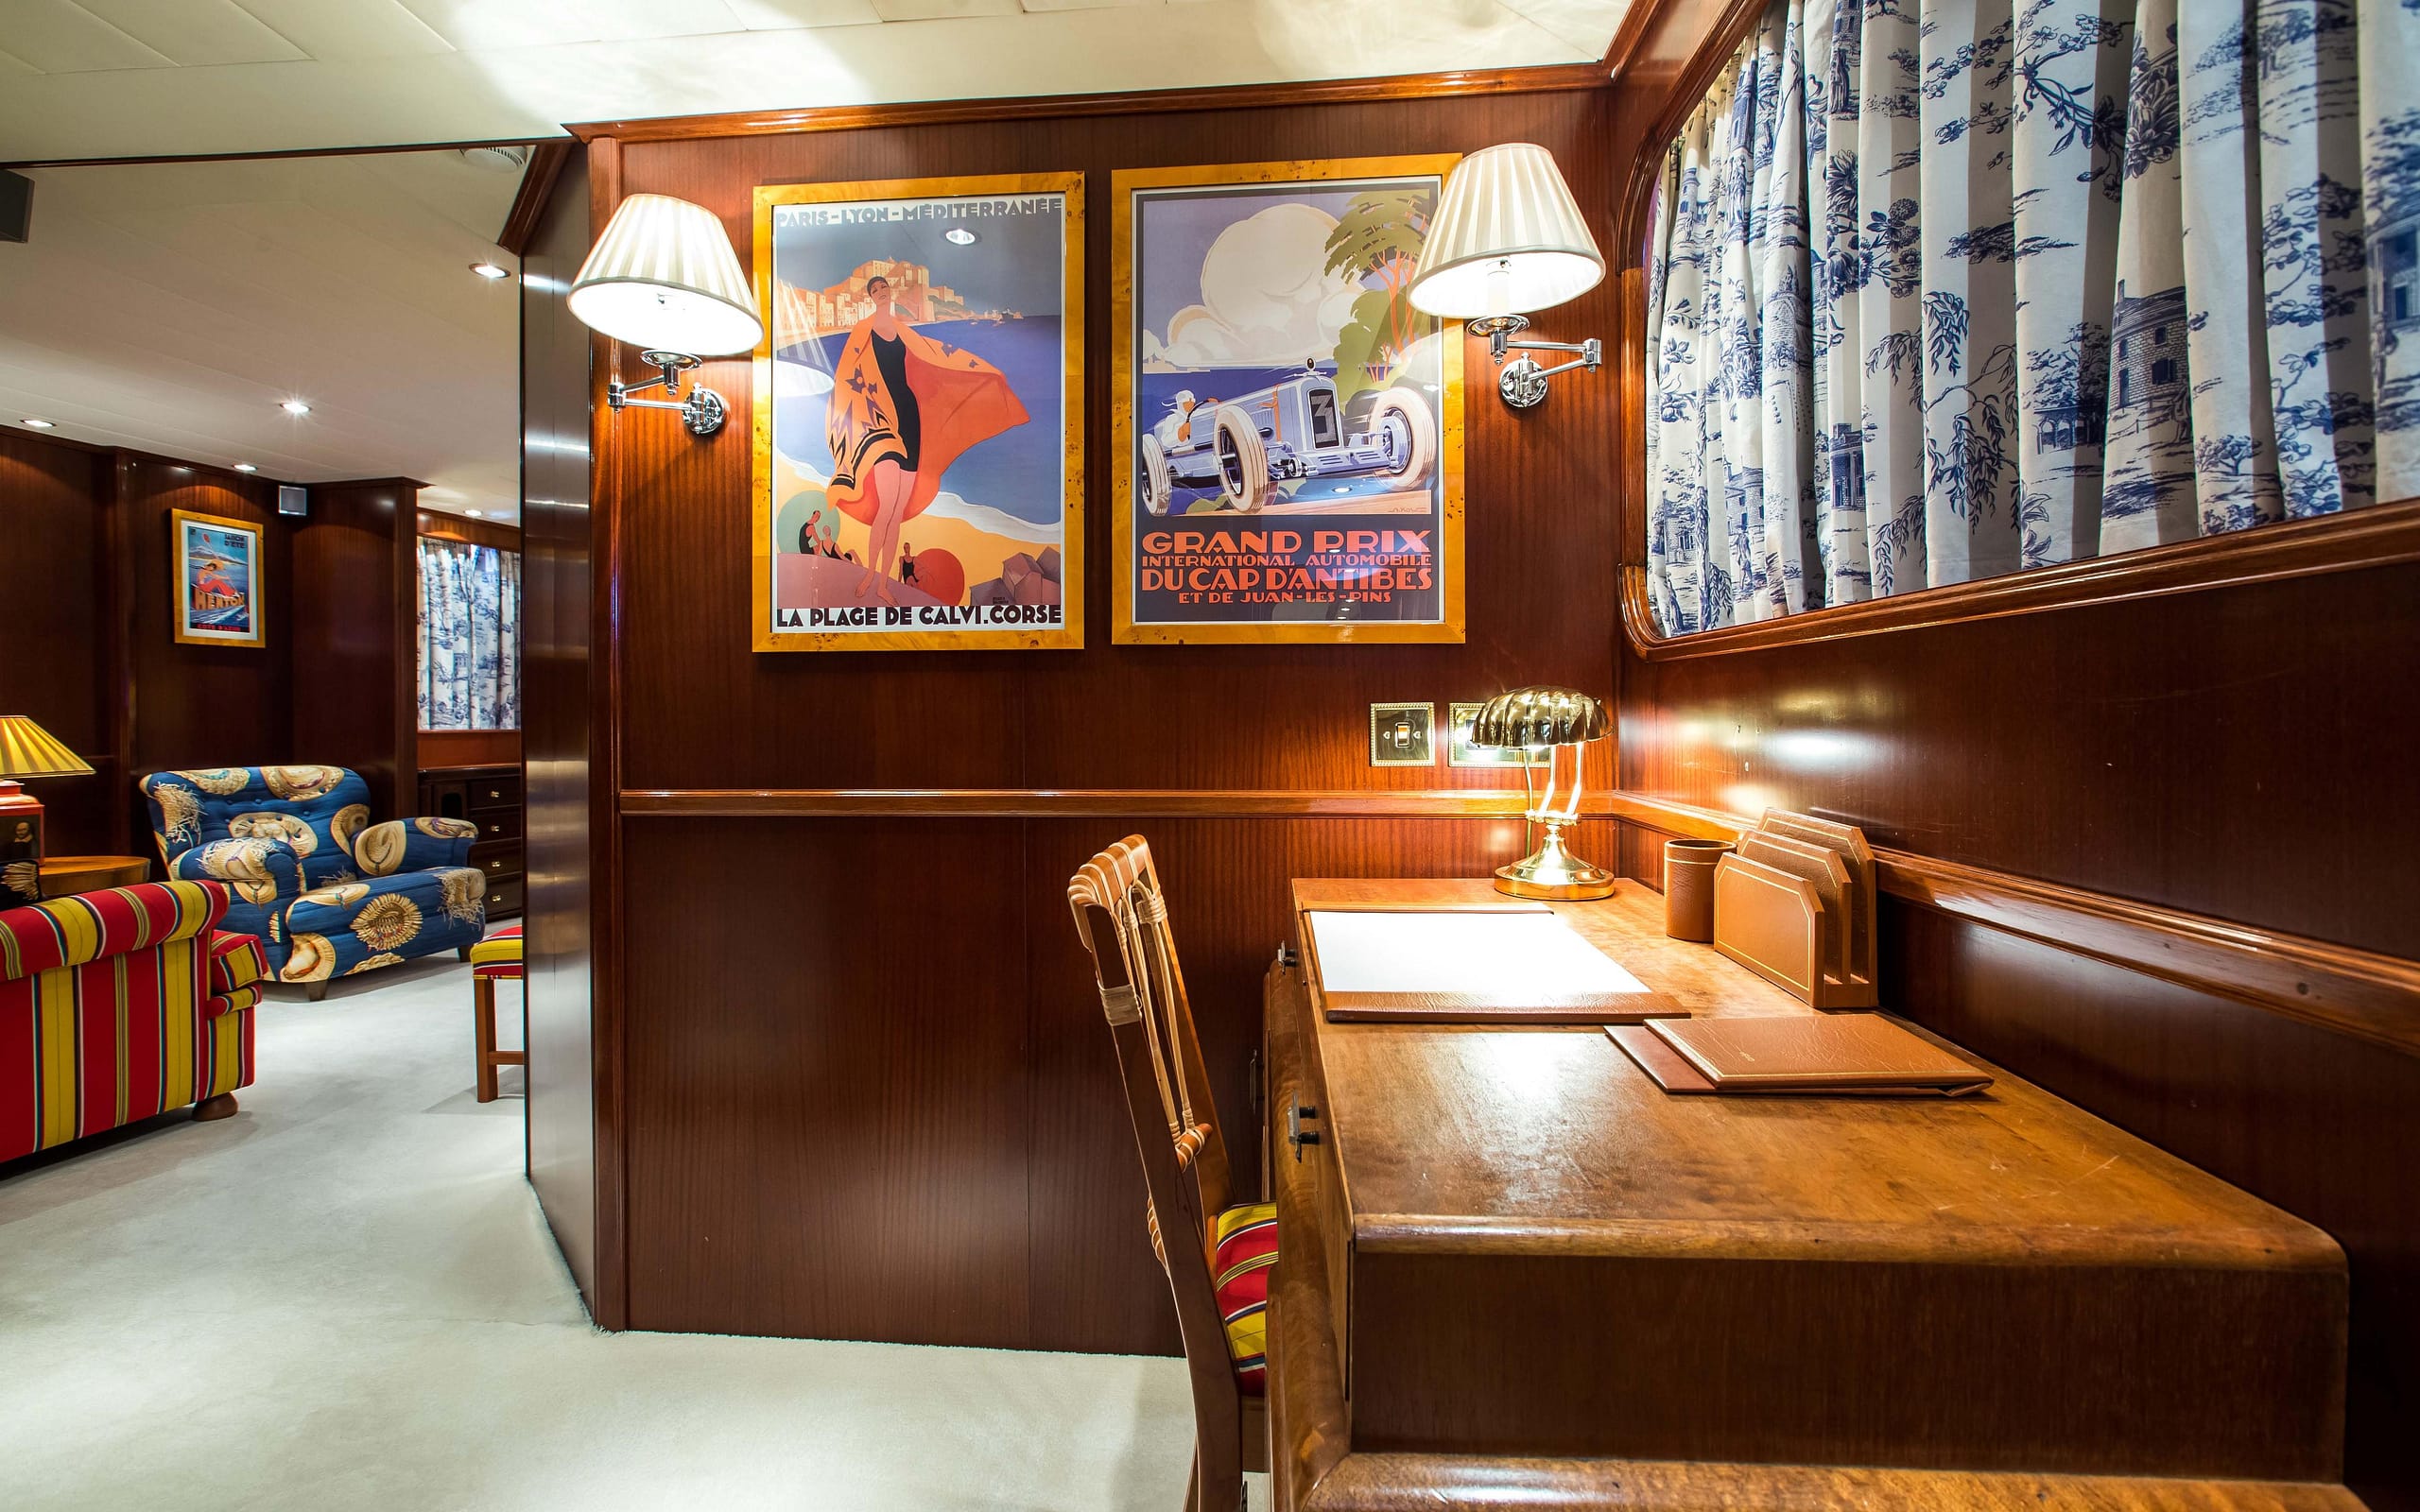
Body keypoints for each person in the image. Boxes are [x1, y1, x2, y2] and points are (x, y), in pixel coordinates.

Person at [825, 272, 1028, 605]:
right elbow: (847, 375)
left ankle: (883, 583)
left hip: (910, 418)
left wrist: (982, 373)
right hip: (883, 423)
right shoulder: (863, 329)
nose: (881, 292)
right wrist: (850, 420)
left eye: (884, 287)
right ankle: (869, 575)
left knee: (897, 512)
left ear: (890, 292)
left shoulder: (902, 329)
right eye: (875, 289)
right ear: (870, 296)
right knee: (886, 508)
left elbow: (936, 354)